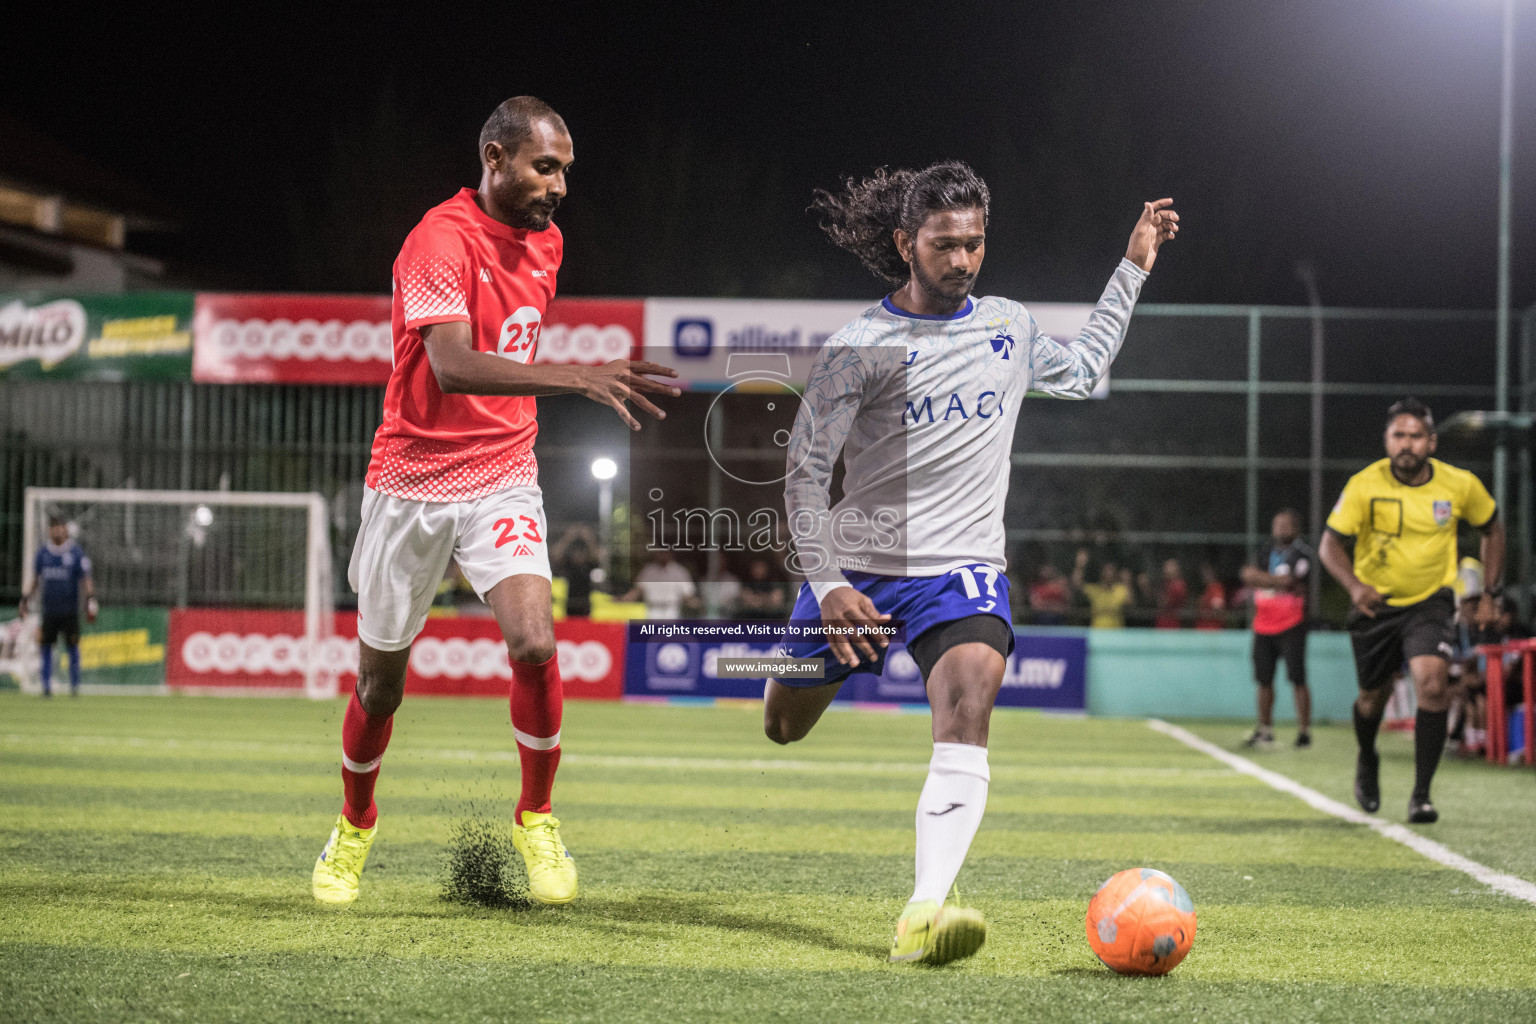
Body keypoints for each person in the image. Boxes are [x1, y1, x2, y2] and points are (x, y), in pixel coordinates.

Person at [769, 160, 1177, 964]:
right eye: (944, 245)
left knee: (969, 706)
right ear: (905, 243)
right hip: (858, 572)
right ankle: (819, 663)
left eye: (975, 245)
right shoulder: (859, 347)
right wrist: (829, 585)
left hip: (963, 570)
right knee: (782, 724)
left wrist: (1131, 267)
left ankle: (923, 912)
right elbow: (804, 477)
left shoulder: (1008, 326)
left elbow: (1088, 366)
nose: (961, 261)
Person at [312, 96, 680, 907]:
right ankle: (354, 824)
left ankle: (537, 816)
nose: (558, 187)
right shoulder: (437, 240)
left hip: (500, 471)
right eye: (545, 167)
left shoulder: (547, 240)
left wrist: (558, 388)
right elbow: (450, 364)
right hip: (410, 482)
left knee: (537, 643)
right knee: (380, 688)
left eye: (566, 171)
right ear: (495, 157)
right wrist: (578, 375)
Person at [1319, 398, 1503, 824]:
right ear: (1387, 440)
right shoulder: (1365, 484)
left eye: (1415, 436)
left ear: (1431, 442)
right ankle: (1367, 755)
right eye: (1398, 435)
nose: (1406, 444)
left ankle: (1421, 794)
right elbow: (1330, 544)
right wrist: (1354, 586)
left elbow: (1492, 527)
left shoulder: (1460, 485)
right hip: (1376, 606)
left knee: (1432, 683)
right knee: (1371, 700)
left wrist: (1490, 592)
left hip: (1431, 600)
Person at [1240, 509, 1316, 748]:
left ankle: (1304, 731)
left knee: (1297, 678)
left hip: (1292, 624)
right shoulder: (1265, 551)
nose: (1281, 529)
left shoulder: (1303, 554)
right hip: (1263, 625)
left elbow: (1291, 581)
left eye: (1286, 525)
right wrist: (1275, 581)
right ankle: (1265, 730)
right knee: (1264, 680)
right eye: (1277, 524)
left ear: (1296, 529)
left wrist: (1261, 578)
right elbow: (1246, 574)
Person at [18, 516, 97, 698]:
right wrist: (25, 600)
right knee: (46, 648)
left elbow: (86, 579)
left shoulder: (76, 553)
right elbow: (35, 580)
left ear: (65, 530)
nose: (57, 531)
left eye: (60, 527)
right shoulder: (43, 554)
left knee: (73, 649)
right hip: (49, 611)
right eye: (54, 527)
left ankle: (75, 687)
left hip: (70, 611)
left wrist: (91, 599)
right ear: (50, 530)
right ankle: (46, 687)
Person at [622, 548, 699, 619]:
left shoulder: (680, 572)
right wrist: (624, 599)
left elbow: (687, 593)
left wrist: (693, 602)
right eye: (661, 552)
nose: (663, 555)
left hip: (671, 611)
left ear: (671, 553)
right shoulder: (649, 570)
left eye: (666, 552)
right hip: (652, 610)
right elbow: (638, 590)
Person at [551, 525, 601, 618]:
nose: (578, 556)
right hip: (570, 604)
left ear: (585, 554)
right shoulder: (569, 564)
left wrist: (589, 539)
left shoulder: (588, 565)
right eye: (575, 553)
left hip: (585, 604)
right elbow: (555, 554)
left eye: (581, 553)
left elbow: (598, 556)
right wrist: (568, 538)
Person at [1073, 551, 1131, 629]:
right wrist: (1080, 566)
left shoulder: (1120, 589)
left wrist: (1127, 582)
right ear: (1102, 573)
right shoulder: (1095, 590)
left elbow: (1129, 602)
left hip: (1116, 634)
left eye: (1111, 570)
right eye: (1106, 571)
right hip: (1097, 634)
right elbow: (1077, 584)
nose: (1109, 573)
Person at [1153, 558, 1188, 629]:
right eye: (1165, 566)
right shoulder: (1165, 583)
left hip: (1171, 625)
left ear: (1176, 569)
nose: (1166, 569)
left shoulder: (1178, 585)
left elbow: (1165, 603)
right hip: (1161, 623)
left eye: (1169, 566)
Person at [1194, 563, 1228, 631]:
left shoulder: (1216, 588)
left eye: (1206, 573)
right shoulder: (1208, 588)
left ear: (1213, 573)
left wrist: (1204, 613)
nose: (1204, 576)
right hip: (1203, 628)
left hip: (1212, 629)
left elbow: (1218, 608)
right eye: (1203, 573)